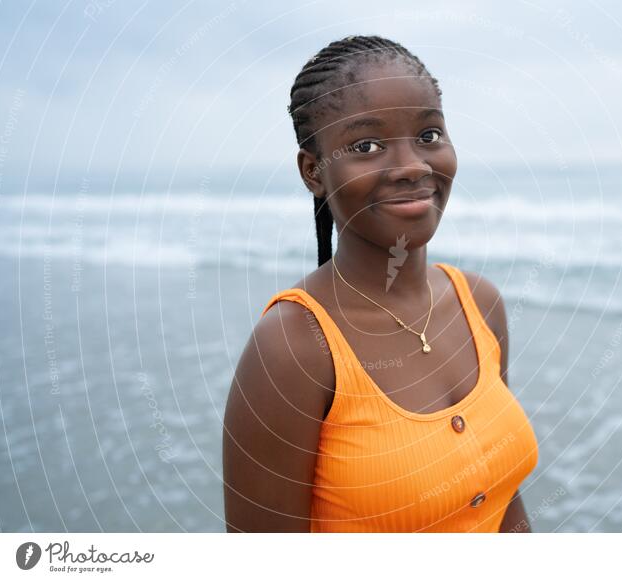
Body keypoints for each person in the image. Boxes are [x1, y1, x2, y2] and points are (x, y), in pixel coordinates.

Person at [222, 34, 539, 532]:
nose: (413, 166)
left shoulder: (478, 303)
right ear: (314, 173)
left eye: (429, 135)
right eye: (366, 145)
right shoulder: (294, 346)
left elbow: (504, 501)